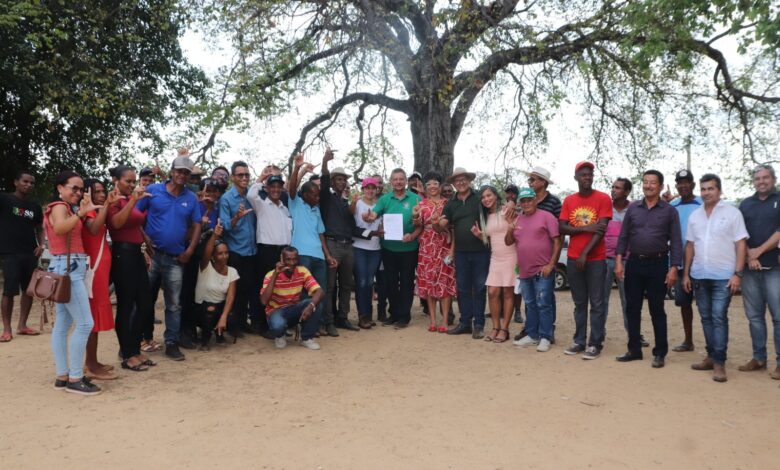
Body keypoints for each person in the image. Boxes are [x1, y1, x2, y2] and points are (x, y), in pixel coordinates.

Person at [134, 154, 202, 361]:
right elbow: (136, 215)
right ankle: (133, 342)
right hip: (152, 256)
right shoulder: (154, 191)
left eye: (186, 172)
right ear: (172, 171)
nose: (182, 175)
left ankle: (171, 342)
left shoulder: (191, 197)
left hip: (175, 258)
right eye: (179, 171)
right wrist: (144, 240)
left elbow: (197, 223)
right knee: (144, 300)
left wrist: (190, 250)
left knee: (174, 303)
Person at [683, 173, 748, 383]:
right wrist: (686, 273)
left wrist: (738, 274)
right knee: (706, 317)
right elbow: (690, 246)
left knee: (719, 317)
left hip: (724, 277)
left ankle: (719, 362)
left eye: (710, 189)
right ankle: (711, 356)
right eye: (703, 189)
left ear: (719, 190)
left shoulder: (732, 213)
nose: (706, 193)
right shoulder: (695, 215)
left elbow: (740, 244)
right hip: (700, 275)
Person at [614, 170, 682, 368]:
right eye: (645, 182)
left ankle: (660, 352)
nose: (648, 186)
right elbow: (623, 237)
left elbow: (676, 241)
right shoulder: (634, 208)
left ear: (660, 186)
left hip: (658, 264)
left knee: (657, 309)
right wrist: (619, 261)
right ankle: (634, 349)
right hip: (634, 263)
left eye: (653, 183)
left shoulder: (669, 211)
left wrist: (674, 268)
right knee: (632, 308)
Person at [46, 171, 102, 395]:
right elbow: (60, 228)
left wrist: (81, 212)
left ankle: (62, 375)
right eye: (74, 188)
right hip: (69, 269)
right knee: (85, 324)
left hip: (64, 267)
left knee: (62, 323)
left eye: (81, 189)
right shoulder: (59, 206)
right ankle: (75, 378)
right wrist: (81, 214)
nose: (78, 193)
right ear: (61, 187)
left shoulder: (66, 207)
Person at [559, 161, 612, 360]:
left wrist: (585, 254)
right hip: (573, 259)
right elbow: (562, 228)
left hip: (595, 259)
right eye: (583, 175)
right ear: (576, 177)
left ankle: (595, 343)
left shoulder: (603, 199)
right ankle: (579, 341)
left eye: (590, 175)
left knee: (597, 302)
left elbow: (601, 229)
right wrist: (584, 228)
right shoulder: (569, 200)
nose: (587, 178)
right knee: (579, 302)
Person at [107, 165, 155, 372]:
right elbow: (116, 224)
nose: (132, 184)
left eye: (133, 181)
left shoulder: (128, 200)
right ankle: (127, 354)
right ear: (115, 181)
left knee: (145, 304)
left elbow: (136, 224)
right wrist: (135, 199)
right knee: (126, 306)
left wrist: (144, 247)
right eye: (128, 181)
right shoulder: (113, 200)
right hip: (122, 254)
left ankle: (135, 349)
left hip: (135, 253)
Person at [364, 168, 422, 329]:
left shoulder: (416, 199)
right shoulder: (384, 199)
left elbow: (421, 225)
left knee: (406, 283)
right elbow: (373, 215)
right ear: (391, 181)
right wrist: (368, 217)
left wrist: (413, 235)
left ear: (405, 181)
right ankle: (394, 313)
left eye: (401, 179)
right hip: (388, 248)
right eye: (395, 179)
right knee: (390, 282)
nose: (398, 182)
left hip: (409, 248)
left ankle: (404, 315)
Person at [737, 164, 780, 379]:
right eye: (757, 178)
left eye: (765, 178)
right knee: (754, 317)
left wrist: (758, 252)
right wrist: (747, 257)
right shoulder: (746, 204)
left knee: (778, 317)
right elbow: (739, 234)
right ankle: (759, 358)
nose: (761, 182)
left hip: (774, 268)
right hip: (750, 270)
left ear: (773, 179)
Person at [506, 188, 561, 352]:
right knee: (530, 304)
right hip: (525, 271)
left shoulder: (547, 217)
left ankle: (545, 337)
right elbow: (508, 242)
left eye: (529, 200)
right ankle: (532, 334)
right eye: (523, 201)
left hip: (543, 269)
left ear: (536, 200)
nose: (526, 203)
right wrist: (510, 229)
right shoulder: (518, 219)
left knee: (544, 303)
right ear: (519, 204)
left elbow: (557, 242)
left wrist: (551, 264)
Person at [437, 167, 489, 339]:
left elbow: (495, 205)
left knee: (480, 289)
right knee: (463, 289)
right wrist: (439, 223)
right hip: (460, 252)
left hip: (481, 251)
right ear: (453, 183)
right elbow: (441, 224)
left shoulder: (479, 198)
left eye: (463, 179)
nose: (460, 182)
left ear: (469, 180)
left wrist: (511, 203)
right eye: (457, 180)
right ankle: (465, 323)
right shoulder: (451, 203)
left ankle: (479, 324)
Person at [287, 153, 336, 334]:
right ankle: (301, 324)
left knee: (319, 292)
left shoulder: (316, 210)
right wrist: (297, 168)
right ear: (305, 194)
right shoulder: (296, 203)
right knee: (301, 292)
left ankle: (317, 324)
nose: (317, 198)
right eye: (314, 195)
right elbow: (291, 189)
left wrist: (328, 255)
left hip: (318, 257)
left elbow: (321, 234)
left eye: (318, 195)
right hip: (302, 255)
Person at [515, 166, 563, 341]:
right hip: (527, 264)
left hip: (545, 259)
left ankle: (547, 333)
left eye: (534, 179)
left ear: (543, 182)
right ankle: (531, 331)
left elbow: (559, 233)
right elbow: (517, 235)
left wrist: (553, 261)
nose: (531, 182)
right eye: (530, 180)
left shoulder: (553, 203)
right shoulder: (521, 209)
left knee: (545, 299)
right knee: (530, 300)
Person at [81, 179, 121, 379]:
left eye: (103, 191)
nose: (102, 194)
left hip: (100, 271)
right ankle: (90, 365)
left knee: (95, 318)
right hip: (93, 272)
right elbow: (94, 230)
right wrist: (106, 206)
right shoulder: (88, 211)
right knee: (91, 318)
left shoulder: (97, 211)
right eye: (96, 191)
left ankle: (93, 361)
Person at [1, 171, 44, 342]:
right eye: (25, 181)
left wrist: (41, 245)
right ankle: (6, 329)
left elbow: (40, 227)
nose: (28, 185)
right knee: (9, 292)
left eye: (31, 183)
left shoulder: (34, 206)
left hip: (30, 252)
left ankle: (22, 325)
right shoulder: (4, 199)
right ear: (16, 182)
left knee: (29, 290)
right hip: (10, 252)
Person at [320, 151, 360, 332]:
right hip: (332, 244)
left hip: (348, 246)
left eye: (344, 179)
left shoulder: (346, 204)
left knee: (346, 285)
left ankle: (342, 317)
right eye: (338, 179)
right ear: (332, 181)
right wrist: (325, 162)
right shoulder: (326, 198)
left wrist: (375, 232)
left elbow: (354, 228)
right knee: (329, 286)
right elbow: (323, 183)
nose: (342, 182)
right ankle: (328, 321)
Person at [248, 172, 292, 335]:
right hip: (266, 250)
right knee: (264, 287)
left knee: (279, 288)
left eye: (278, 187)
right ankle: (260, 323)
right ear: (266, 188)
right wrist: (261, 178)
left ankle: (277, 323)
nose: (275, 190)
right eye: (272, 186)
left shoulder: (284, 208)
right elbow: (251, 194)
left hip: (283, 251)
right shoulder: (261, 204)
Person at [180, 177, 222, 347]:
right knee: (188, 294)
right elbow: (186, 236)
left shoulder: (218, 210)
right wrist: (199, 222)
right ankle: (185, 331)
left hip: (209, 259)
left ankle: (204, 329)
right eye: (207, 190)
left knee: (204, 294)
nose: (210, 194)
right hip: (192, 257)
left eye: (214, 191)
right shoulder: (194, 206)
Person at [412, 172, 455, 333]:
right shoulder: (421, 204)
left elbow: (452, 228)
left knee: (444, 281)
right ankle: (432, 320)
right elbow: (418, 224)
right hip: (427, 247)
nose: (432, 186)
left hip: (444, 244)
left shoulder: (448, 204)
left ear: (440, 185)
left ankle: (444, 320)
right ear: (426, 186)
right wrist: (415, 215)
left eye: (435, 183)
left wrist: (452, 249)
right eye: (429, 184)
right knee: (429, 282)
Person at [219, 161, 259, 336]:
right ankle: (233, 326)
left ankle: (243, 323)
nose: (244, 178)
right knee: (235, 289)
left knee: (248, 288)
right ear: (233, 177)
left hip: (252, 251)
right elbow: (225, 226)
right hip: (235, 251)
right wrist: (237, 217)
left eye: (246, 175)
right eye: (240, 175)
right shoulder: (227, 198)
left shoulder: (251, 196)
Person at [473, 186, 516, 343]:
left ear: (495, 196)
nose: (486, 199)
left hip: (511, 256)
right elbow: (492, 240)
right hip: (495, 258)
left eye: (489, 195)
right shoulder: (484, 216)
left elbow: (517, 221)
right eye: (483, 197)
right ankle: (495, 327)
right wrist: (480, 236)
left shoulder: (506, 209)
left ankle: (504, 329)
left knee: (507, 293)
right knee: (492, 292)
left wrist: (512, 202)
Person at [261, 246, 324, 351]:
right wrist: (276, 275)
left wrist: (311, 306)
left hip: (294, 309)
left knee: (316, 303)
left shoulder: (302, 271)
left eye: (294, 259)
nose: (292, 263)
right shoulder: (270, 275)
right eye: (288, 259)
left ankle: (306, 338)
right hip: (276, 311)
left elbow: (320, 291)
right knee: (277, 325)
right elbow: (263, 301)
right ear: (281, 259)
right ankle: (280, 335)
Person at [666, 170, 702, 352]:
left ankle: (713, 346)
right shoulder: (672, 206)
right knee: (684, 303)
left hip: (702, 263)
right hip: (680, 263)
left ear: (693, 185)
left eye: (686, 182)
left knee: (705, 305)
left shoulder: (703, 204)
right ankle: (688, 341)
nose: (683, 186)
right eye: (679, 183)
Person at [195, 220, 239, 349]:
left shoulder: (232, 271)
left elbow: (230, 297)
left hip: (219, 306)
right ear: (213, 256)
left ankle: (219, 333)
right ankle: (205, 339)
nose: (224, 256)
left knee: (231, 316)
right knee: (210, 310)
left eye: (226, 253)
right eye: (220, 253)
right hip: (202, 307)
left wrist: (224, 317)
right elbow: (206, 253)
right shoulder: (205, 267)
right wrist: (215, 236)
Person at [604, 178, 636, 343]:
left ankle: (633, 335)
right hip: (604, 260)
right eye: (613, 187)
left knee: (628, 300)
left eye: (617, 188)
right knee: (601, 300)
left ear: (627, 191)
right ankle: (598, 334)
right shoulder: (604, 207)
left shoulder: (634, 209)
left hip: (627, 260)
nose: (613, 190)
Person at [351, 177, 384, 329]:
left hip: (375, 249)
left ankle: (368, 314)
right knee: (362, 282)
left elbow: (383, 224)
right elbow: (351, 226)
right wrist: (371, 232)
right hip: (359, 248)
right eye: (367, 188)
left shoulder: (380, 205)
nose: (370, 191)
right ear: (363, 189)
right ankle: (362, 315)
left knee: (370, 282)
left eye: (373, 188)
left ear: (377, 189)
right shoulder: (357, 203)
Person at [504, 183, 523, 325]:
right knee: (501, 283)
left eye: (513, 193)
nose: (510, 195)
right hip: (503, 250)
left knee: (517, 283)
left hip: (518, 251)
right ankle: (498, 310)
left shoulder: (522, 209)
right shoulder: (501, 209)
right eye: (508, 193)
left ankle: (517, 311)